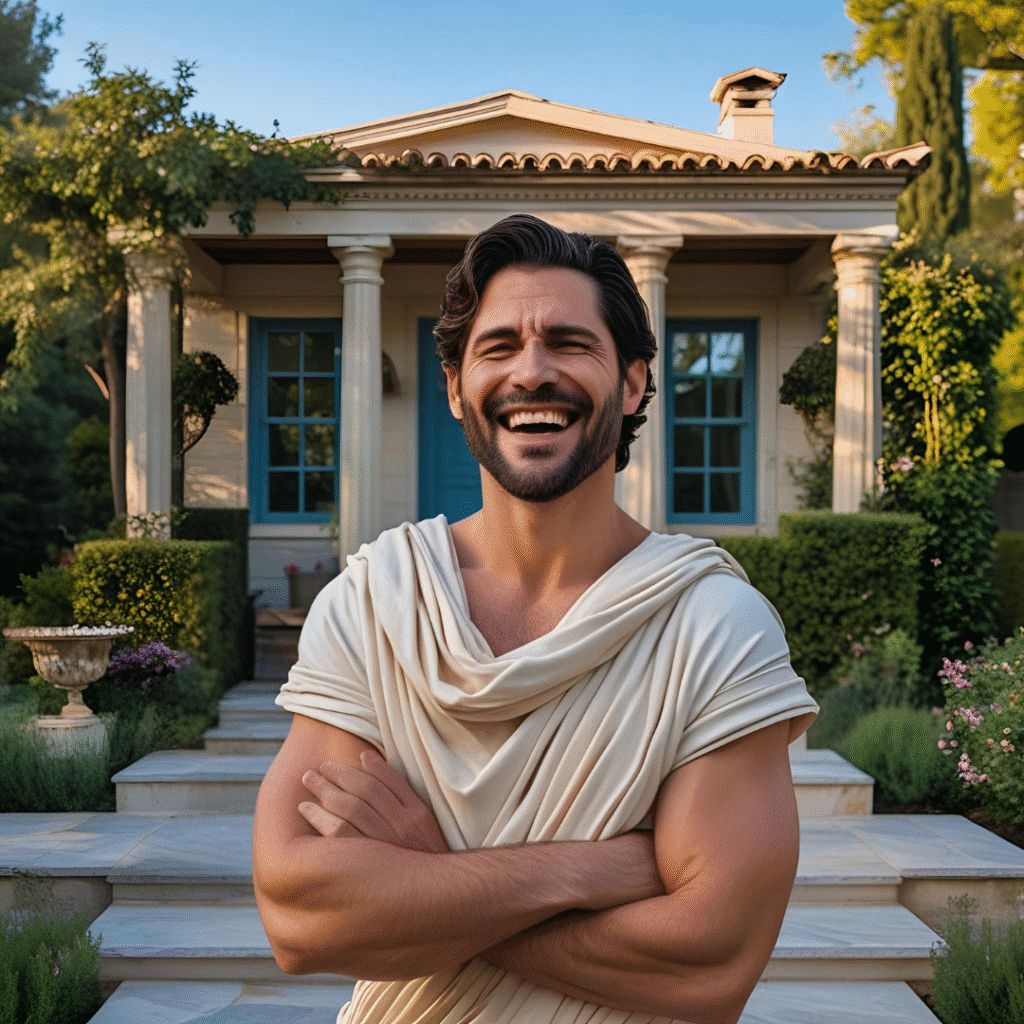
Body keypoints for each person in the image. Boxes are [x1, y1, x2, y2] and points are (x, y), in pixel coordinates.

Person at [253, 214, 818, 1024]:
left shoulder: (714, 626)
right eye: (498, 347)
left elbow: (710, 962)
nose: (532, 372)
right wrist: (584, 873)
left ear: (630, 382)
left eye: (569, 342)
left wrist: (429, 879)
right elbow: (302, 918)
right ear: (454, 387)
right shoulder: (377, 603)